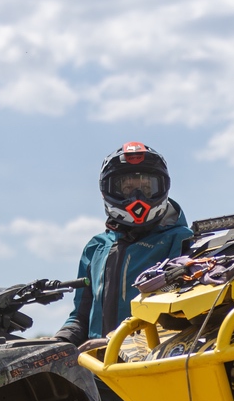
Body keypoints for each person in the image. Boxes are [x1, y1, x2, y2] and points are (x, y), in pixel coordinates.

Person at [55, 142, 192, 346]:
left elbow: (183, 311)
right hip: (98, 359)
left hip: (155, 357)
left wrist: (124, 344)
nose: (137, 197)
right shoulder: (96, 247)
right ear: (107, 190)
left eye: (146, 188)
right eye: (127, 188)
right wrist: (60, 341)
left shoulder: (181, 239)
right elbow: (80, 316)